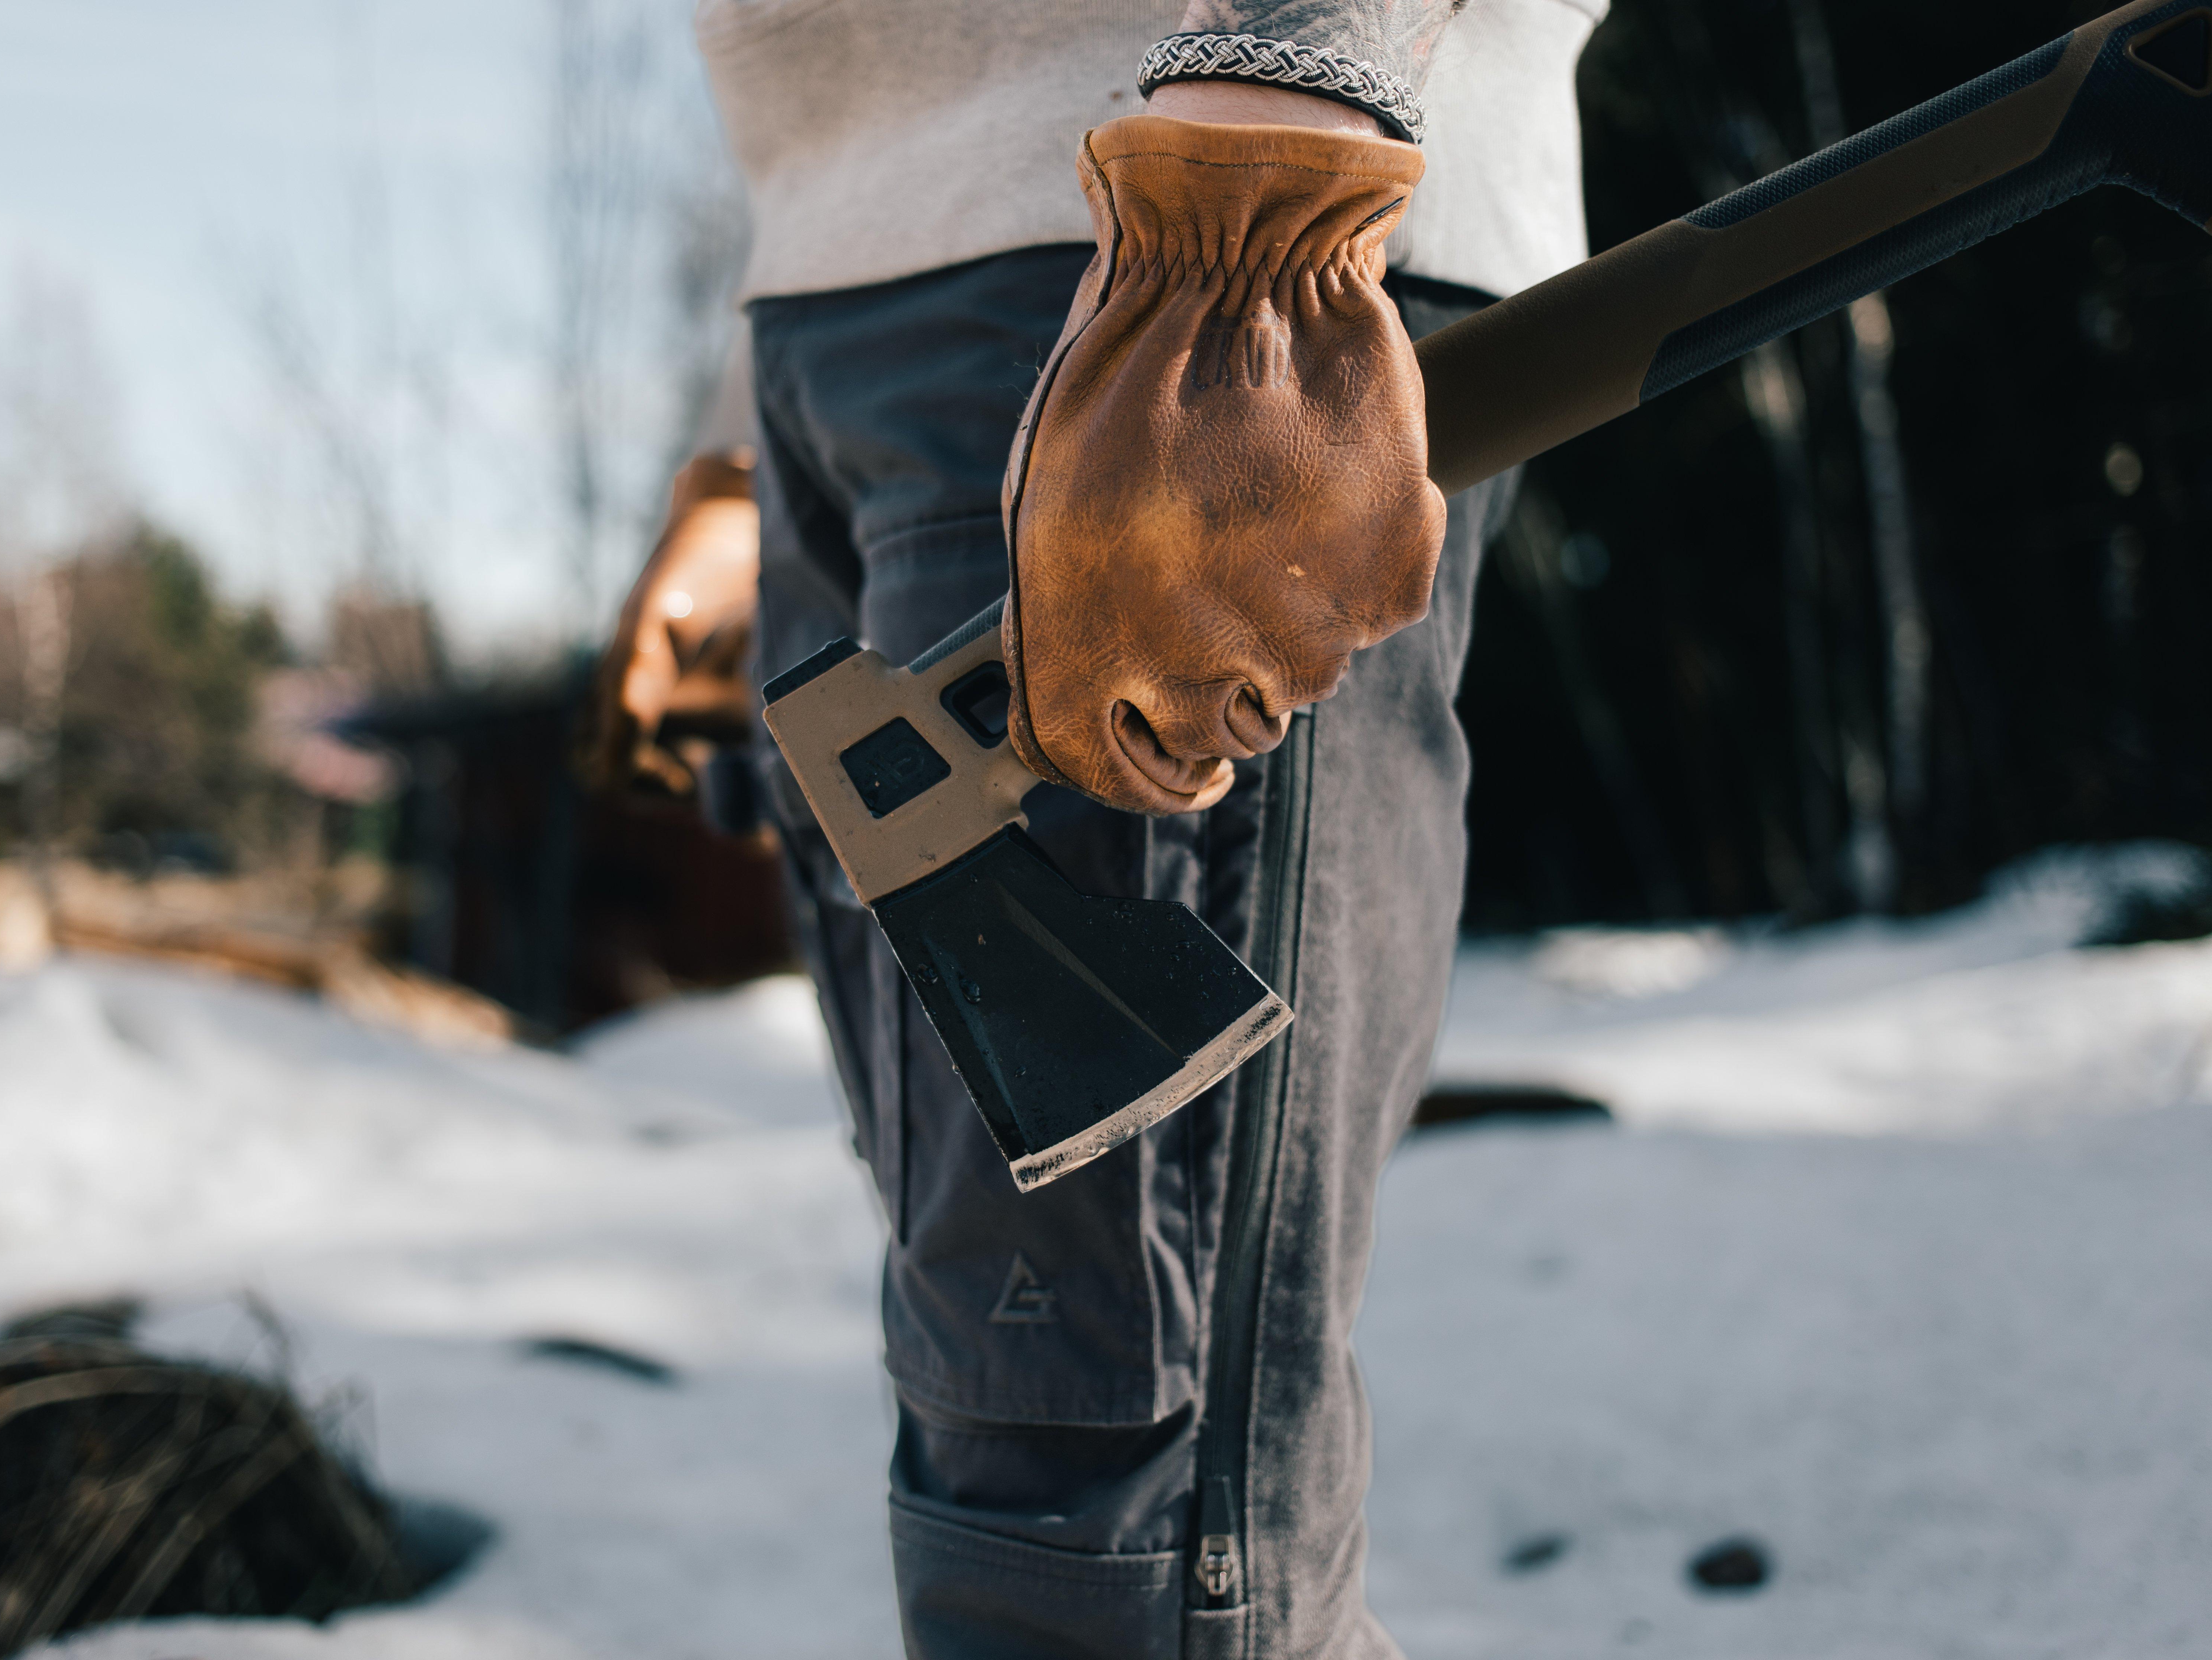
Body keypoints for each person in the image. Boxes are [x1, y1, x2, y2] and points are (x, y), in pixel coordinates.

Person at [591, 2, 1607, 1653]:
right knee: (1007, 1410)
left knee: (1099, 1506)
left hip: (1168, 247)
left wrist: (1283, 123)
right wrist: (742, 416)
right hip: (855, 307)